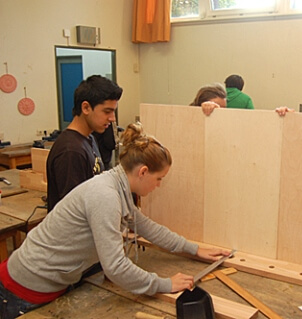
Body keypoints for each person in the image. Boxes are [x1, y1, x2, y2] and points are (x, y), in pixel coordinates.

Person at [0, 123, 231, 318]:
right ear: (142, 172)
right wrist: (165, 284)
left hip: (49, 281)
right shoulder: (106, 195)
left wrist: (194, 249)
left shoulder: (117, 186)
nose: (158, 185)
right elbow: (115, 267)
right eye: (158, 179)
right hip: (23, 289)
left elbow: (148, 227)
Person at [46, 75, 123, 212]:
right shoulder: (70, 151)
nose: (112, 118)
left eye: (113, 111)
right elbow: (73, 212)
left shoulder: (90, 139)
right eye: (107, 111)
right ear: (86, 108)